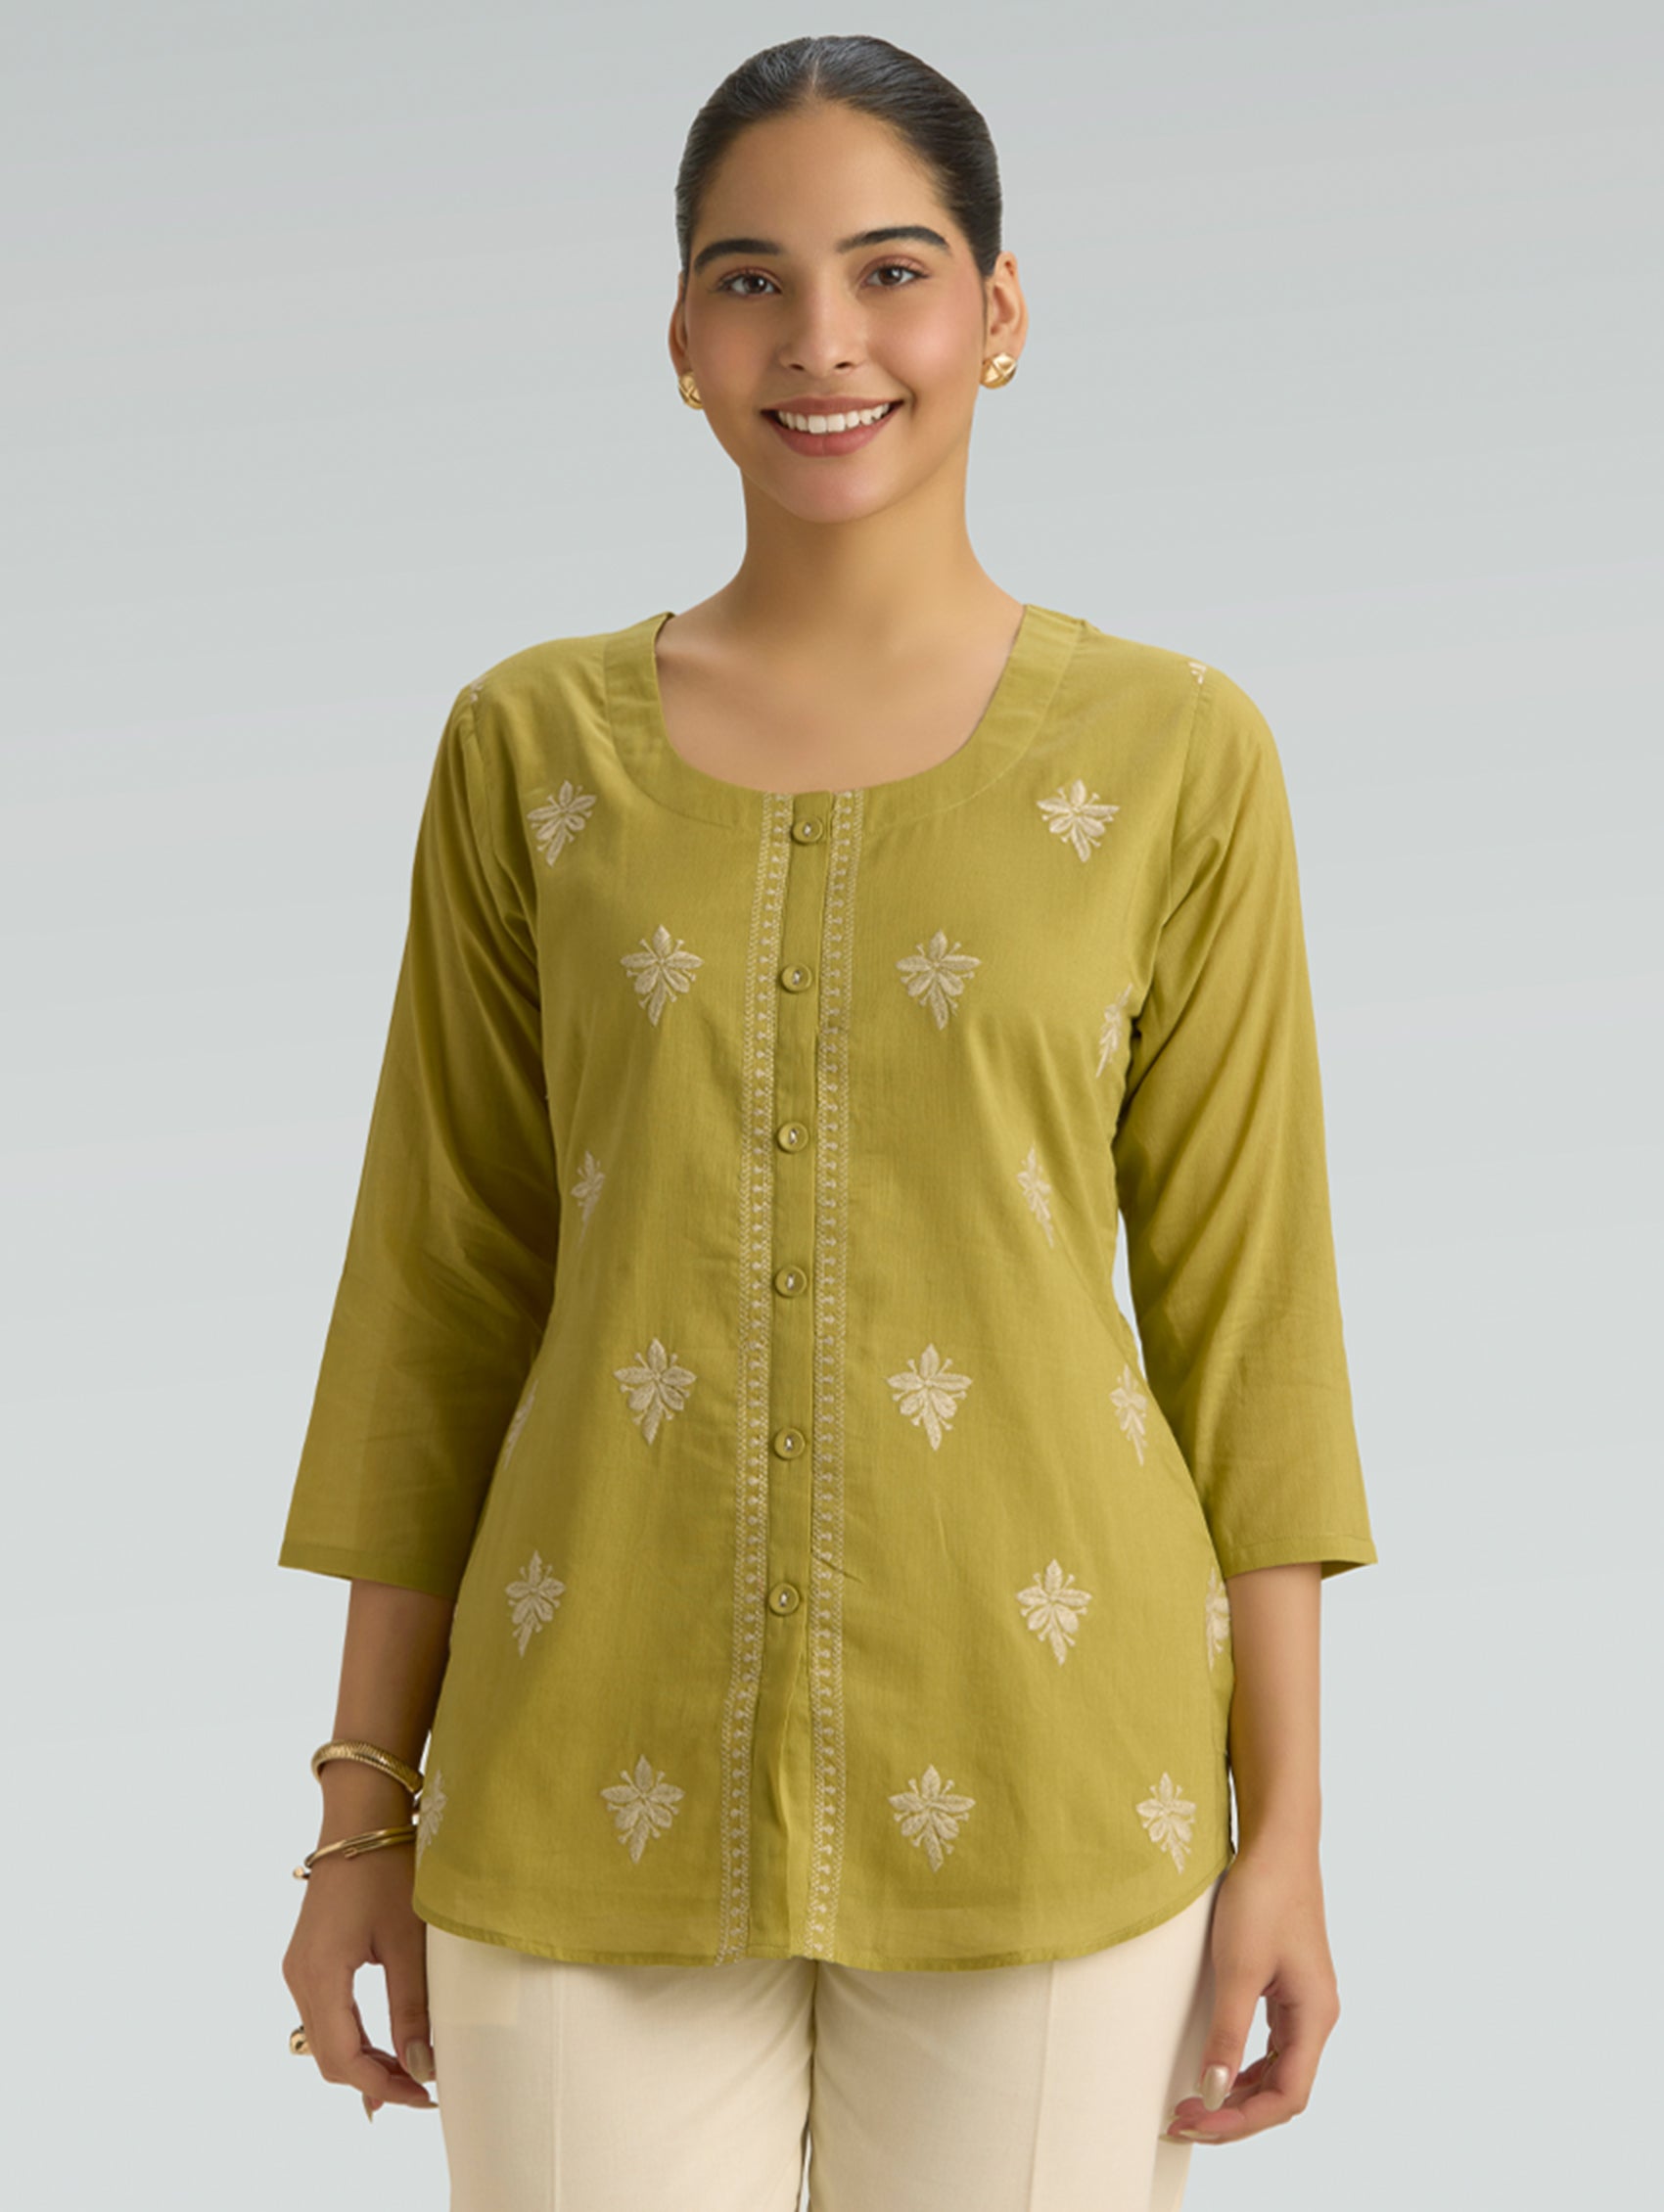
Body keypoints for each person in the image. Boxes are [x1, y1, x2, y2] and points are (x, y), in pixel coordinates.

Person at [277, 31, 1378, 2212]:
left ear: (998, 309)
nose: (823, 341)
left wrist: (1291, 1837)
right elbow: (440, 1289)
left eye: (890, 271)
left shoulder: (1174, 754)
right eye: (751, 282)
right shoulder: (530, 752)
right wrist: (353, 1817)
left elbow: (1250, 1322)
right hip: (577, 1769)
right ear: (682, 340)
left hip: (1057, 1790)